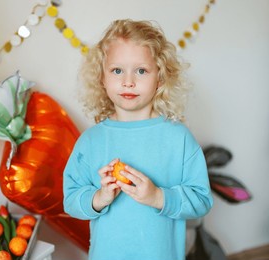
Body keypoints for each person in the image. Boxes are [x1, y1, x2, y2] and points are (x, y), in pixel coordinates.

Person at [63, 19, 213, 260]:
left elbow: (202, 200)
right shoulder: (90, 141)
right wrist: (99, 197)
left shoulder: (178, 138)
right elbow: (70, 201)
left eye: (141, 70)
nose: (128, 81)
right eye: (117, 70)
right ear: (102, 77)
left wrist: (158, 197)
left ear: (160, 78)